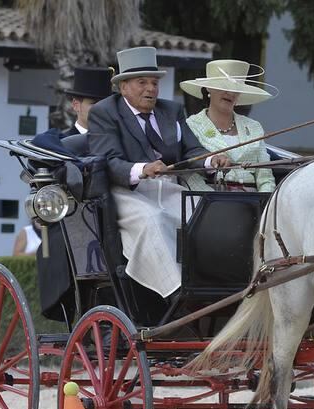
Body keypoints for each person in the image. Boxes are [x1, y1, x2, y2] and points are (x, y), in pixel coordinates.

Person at [88, 46, 228, 299]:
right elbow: (108, 161)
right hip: (126, 192)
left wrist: (210, 160)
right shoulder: (104, 112)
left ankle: (218, 285)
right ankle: (177, 292)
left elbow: (191, 149)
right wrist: (143, 168)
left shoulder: (171, 110)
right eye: (142, 82)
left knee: (206, 214)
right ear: (123, 87)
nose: (151, 89)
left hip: (170, 188)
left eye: (154, 82)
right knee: (152, 219)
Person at [181, 60, 277, 192]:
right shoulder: (191, 126)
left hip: (254, 203)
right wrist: (213, 201)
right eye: (224, 87)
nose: (230, 93)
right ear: (208, 88)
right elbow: (188, 175)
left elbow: (265, 177)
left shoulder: (254, 127)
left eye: (236, 89)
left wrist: (264, 206)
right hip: (209, 202)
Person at [62, 67, 113, 137]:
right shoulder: (62, 143)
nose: (102, 108)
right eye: (94, 103)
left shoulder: (118, 141)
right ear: (76, 105)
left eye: (105, 103)